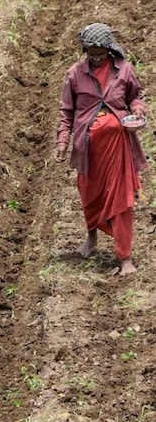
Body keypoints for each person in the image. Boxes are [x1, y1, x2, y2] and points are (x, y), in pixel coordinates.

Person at [55, 23, 147, 276]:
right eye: (91, 53)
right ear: (85, 51)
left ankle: (125, 257)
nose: (96, 57)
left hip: (117, 147)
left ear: (109, 50)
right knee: (90, 194)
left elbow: (135, 97)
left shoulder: (124, 71)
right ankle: (91, 237)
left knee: (120, 199)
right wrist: (62, 142)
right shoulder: (75, 74)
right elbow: (66, 112)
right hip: (88, 147)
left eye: (101, 53)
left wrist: (138, 109)